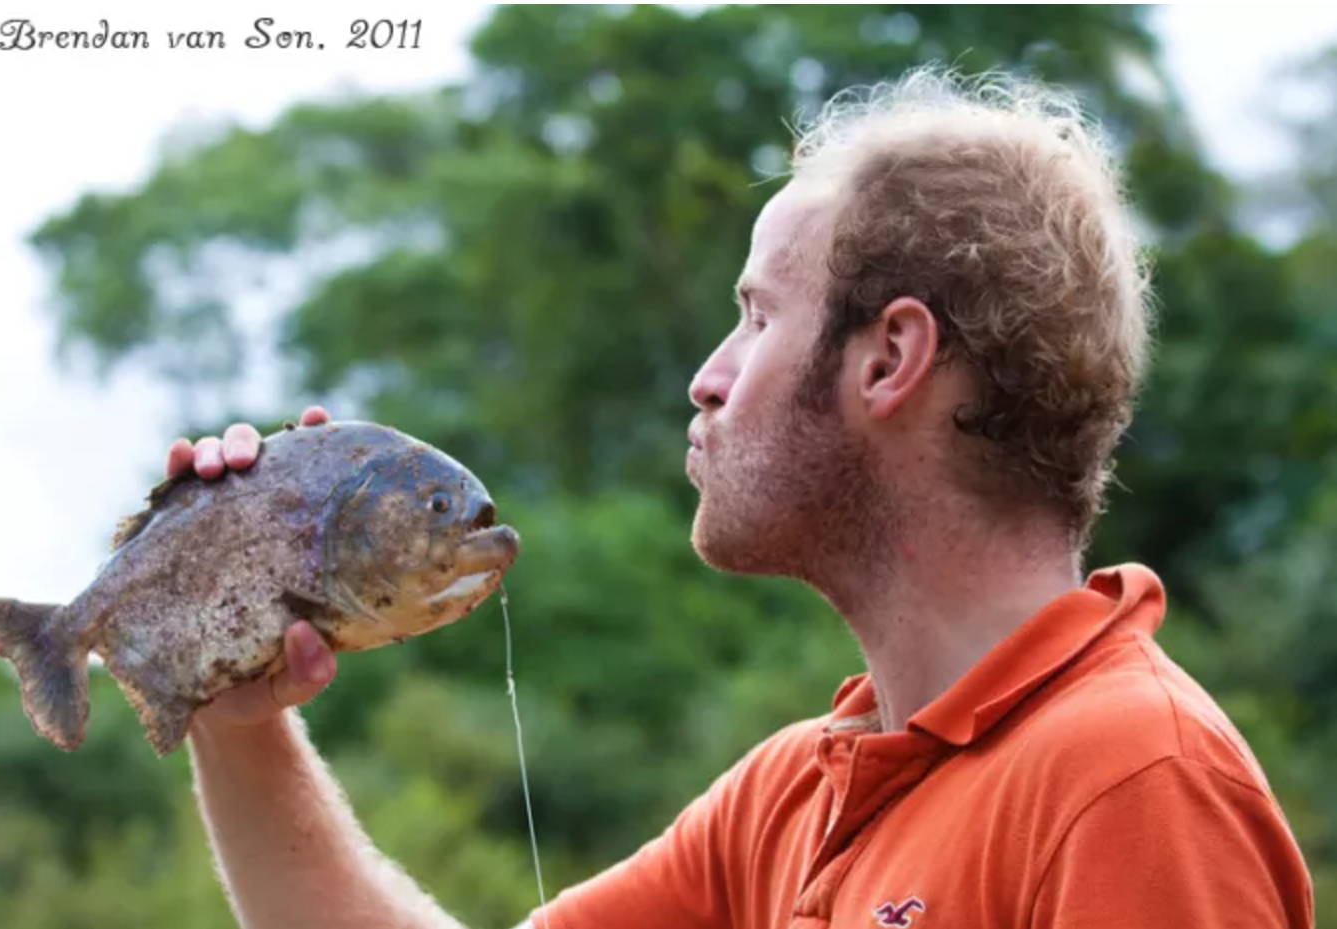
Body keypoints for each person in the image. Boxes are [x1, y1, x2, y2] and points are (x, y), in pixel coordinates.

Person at [171, 67, 1314, 929]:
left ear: (888, 359)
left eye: (758, 315)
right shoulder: (789, 797)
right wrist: (240, 717)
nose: (705, 377)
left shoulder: (1131, 782)